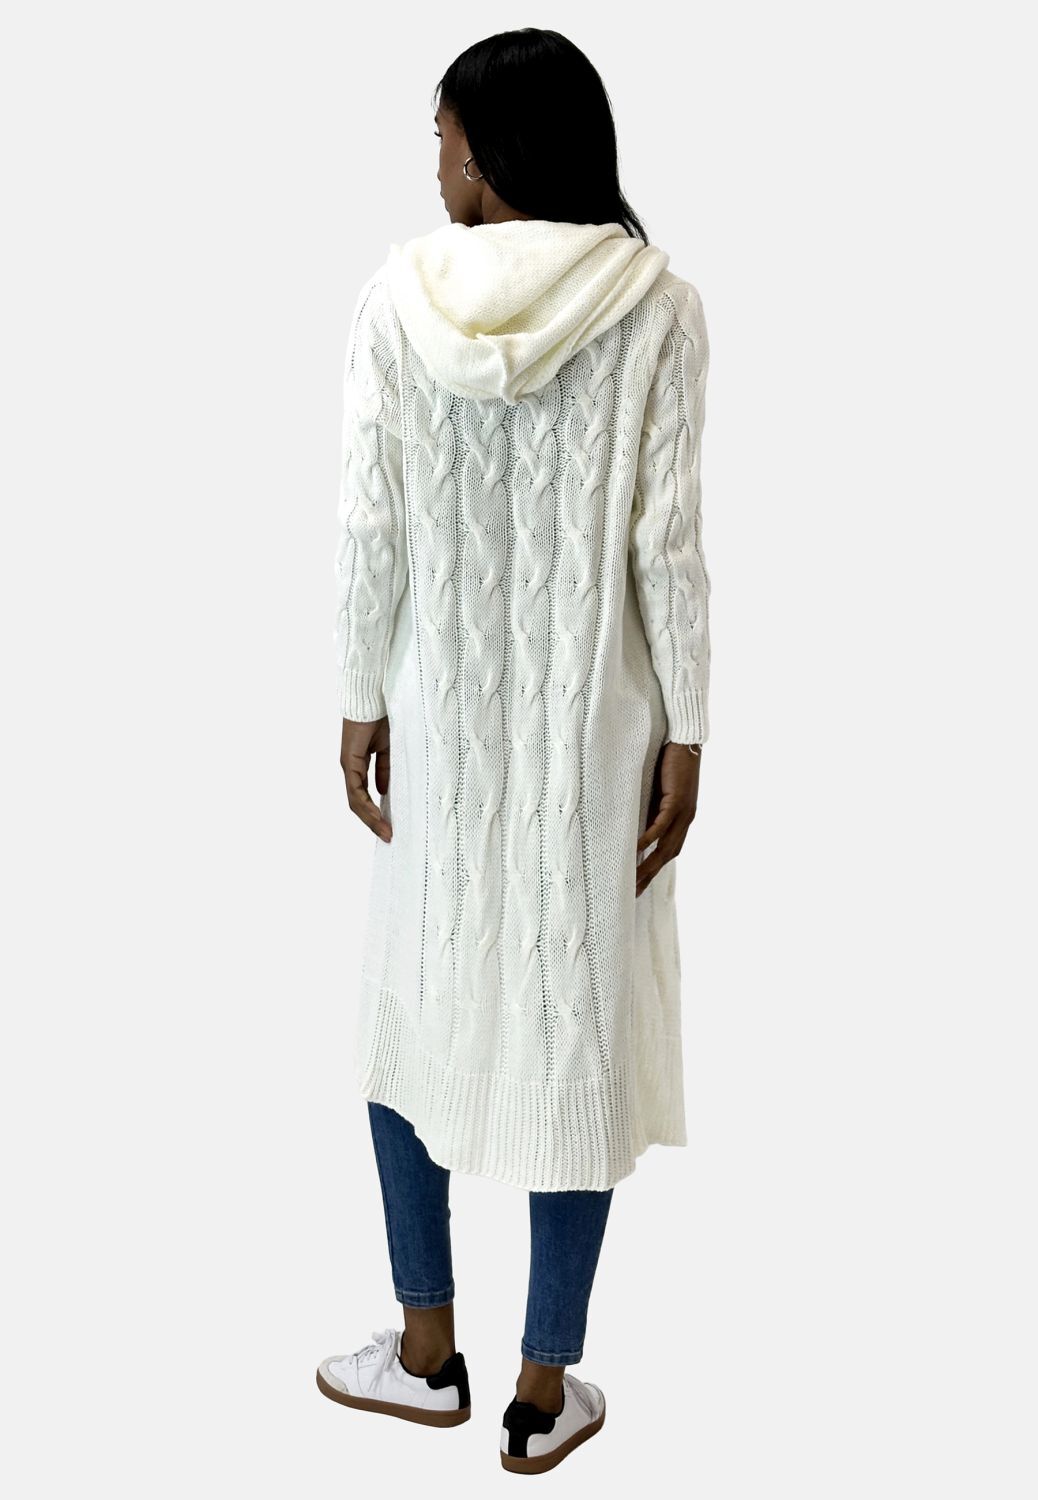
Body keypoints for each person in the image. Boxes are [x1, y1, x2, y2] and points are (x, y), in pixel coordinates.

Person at [316, 27, 712, 1475]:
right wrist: (688, 726)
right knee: (573, 1020)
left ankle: (426, 1355)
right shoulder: (656, 305)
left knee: (409, 1002)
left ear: (487, 152)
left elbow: (369, 525)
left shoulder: (394, 301)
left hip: (443, 727)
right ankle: (544, 1390)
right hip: (595, 734)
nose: (433, 162)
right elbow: (667, 545)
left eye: (441, 136)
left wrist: (358, 697)